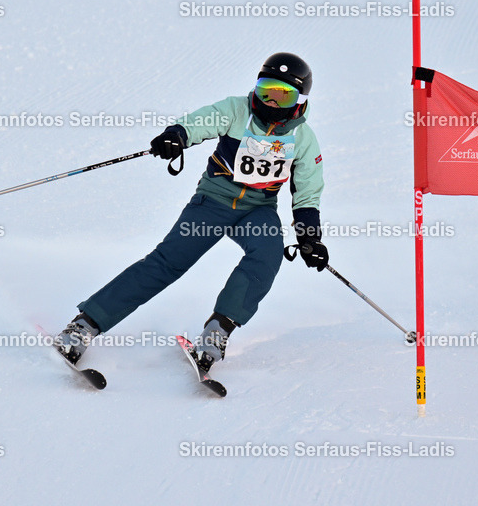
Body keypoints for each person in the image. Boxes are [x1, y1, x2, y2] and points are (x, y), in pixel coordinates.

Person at [55, 52, 328, 374]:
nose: (270, 101)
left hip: (258, 210)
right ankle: (84, 326)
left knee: (267, 256)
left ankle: (217, 331)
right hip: (214, 201)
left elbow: (307, 192)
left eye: (283, 95)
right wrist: (176, 136)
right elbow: (201, 121)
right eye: (265, 90)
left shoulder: (303, 139)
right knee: (168, 262)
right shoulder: (236, 109)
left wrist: (310, 238)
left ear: (300, 100)